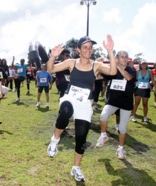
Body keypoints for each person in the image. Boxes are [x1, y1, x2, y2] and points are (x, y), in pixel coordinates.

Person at [46, 35, 117, 182]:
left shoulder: (95, 65)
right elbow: (51, 68)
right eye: (85, 47)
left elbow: (112, 72)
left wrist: (110, 51)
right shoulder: (72, 62)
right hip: (70, 98)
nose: (88, 50)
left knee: (81, 138)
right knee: (65, 111)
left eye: (90, 47)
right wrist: (53, 56)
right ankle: (55, 140)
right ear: (78, 49)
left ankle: (76, 168)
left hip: (84, 103)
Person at [96, 51, 136, 160]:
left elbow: (128, 78)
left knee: (122, 128)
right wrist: (98, 65)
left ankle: (121, 149)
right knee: (103, 115)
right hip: (112, 101)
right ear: (117, 58)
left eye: (126, 57)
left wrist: (117, 66)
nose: (124, 58)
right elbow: (99, 76)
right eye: (122, 57)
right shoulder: (112, 70)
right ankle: (103, 136)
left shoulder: (131, 69)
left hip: (126, 103)